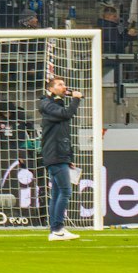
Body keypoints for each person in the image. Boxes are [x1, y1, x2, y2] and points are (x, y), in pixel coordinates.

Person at [38, 75, 84, 240]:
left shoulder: (55, 103)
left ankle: (55, 230)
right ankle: (57, 229)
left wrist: (68, 157)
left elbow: (62, 133)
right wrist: (76, 99)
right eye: (59, 84)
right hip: (54, 154)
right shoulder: (47, 105)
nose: (64, 86)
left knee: (58, 192)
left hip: (60, 154)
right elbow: (66, 114)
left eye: (64, 84)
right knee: (65, 191)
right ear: (50, 89)